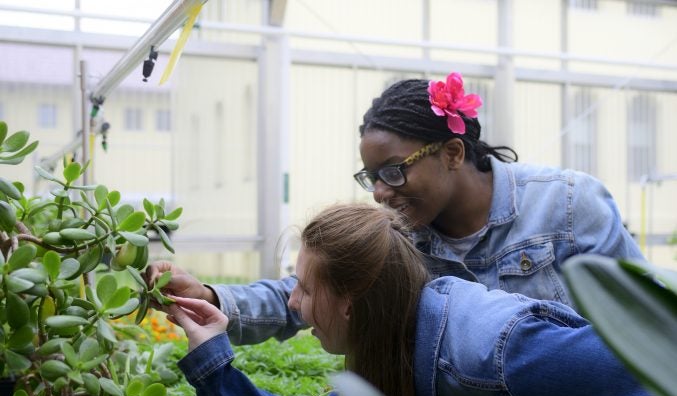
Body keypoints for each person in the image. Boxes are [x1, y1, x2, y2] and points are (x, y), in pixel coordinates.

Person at [146, 71, 643, 346]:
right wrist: (210, 296)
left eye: (394, 170)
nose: (381, 193)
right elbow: (304, 294)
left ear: (451, 153)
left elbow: (643, 323)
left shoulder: (570, 205)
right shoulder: (403, 236)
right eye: (372, 177)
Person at [158, 203, 673, 396]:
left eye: (305, 289)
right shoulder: (388, 343)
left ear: (353, 303)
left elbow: (657, 370)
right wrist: (214, 358)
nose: (293, 303)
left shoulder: (503, 355)